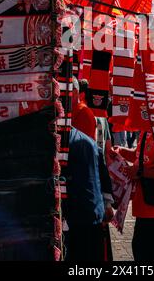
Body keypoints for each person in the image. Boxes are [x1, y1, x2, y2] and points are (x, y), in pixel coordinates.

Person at [109, 129, 154, 261]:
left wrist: (140, 172)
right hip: (144, 212)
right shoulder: (147, 132)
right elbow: (141, 157)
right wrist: (122, 151)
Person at [64, 77, 114, 262]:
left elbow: (92, 152)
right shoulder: (77, 114)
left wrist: (105, 201)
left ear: (77, 93)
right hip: (87, 206)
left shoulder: (83, 114)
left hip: (83, 207)